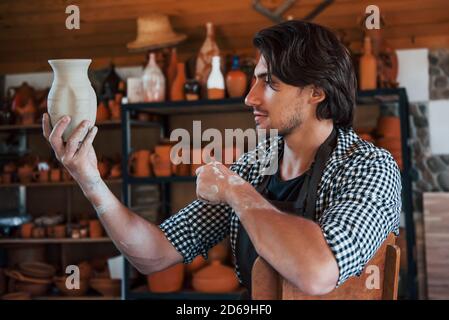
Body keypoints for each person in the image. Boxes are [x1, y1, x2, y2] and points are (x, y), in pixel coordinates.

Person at [42, 20, 401, 298]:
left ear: (316, 91)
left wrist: (235, 190)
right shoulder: (255, 165)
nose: (249, 97)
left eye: (269, 83)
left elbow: (318, 271)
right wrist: (90, 179)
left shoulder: (369, 166)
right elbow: (154, 254)